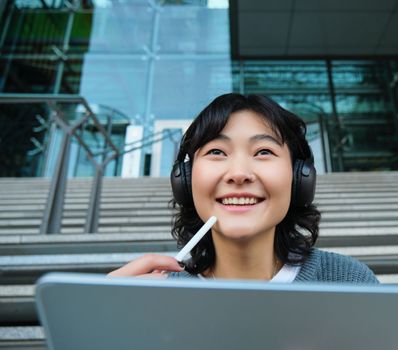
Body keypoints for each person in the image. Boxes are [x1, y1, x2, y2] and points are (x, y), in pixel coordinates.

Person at [109, 93, 378, 284]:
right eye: (216, 151)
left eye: (263, 151)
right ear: (186, 179)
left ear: (299, 177)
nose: (239, 174)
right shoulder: (151, 295)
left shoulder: (347, 281)